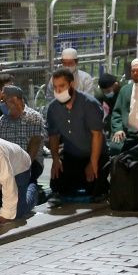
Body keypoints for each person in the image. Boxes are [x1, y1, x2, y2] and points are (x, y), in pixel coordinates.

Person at [46, 69, 107, 199]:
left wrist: (93, 162)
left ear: (71, 84)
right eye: (55, 87)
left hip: (94, 154)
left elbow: (97, 134)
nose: (58, 90)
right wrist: (56, 159)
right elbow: (53, 136)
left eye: (62, 86)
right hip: (71, 155)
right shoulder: (52, 108)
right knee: (57, 183)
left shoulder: (89, 103)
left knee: (95, 186)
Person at [0, 85, 46, 186]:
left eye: (3, 99)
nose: (1, 103)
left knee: (20, 183)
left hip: (30, 163)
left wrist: (19, 168)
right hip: (6, 163)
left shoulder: (33, 117)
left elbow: (34, 147)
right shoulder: (1, 121)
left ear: (14, 100)